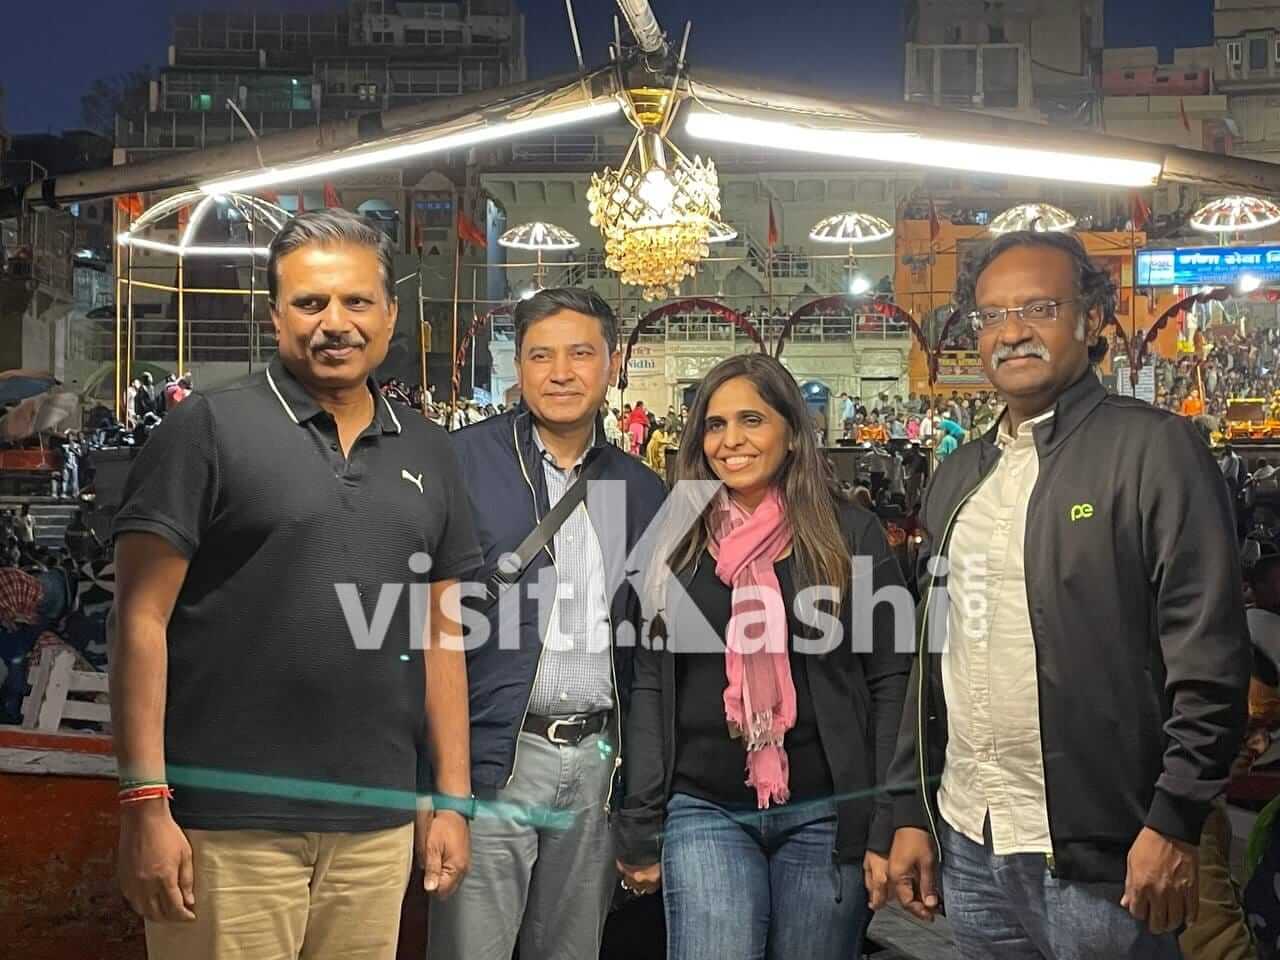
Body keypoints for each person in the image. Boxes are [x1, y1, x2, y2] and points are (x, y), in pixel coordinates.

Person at [110, 209, 482, 959]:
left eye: (356, 301)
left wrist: (453, 798)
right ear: (275, 316)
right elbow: (137, 621)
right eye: (310, 302)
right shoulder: (207, 430)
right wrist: (144, 804)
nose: (334, 323)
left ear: (390, 315)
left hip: (375, 825)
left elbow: (442, 637)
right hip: (227, 825)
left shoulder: (429, 451)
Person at [886, 229, 1249, 958]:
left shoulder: (1152, 450)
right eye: (991, 315)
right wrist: (911, 808)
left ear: (1091, 319)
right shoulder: (959, 476)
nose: (1012, 331)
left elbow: (1207, 651)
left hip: (1106, 851)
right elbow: (934, 658)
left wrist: (1175, 818)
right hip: (972, 838)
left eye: (1039, 308)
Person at [615, 353, 912, 960]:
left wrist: (888, 818)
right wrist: (640, 819)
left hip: (827, 813)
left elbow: (890, 679)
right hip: (704, 807)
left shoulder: (848, 533)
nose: (731, 441)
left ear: (792, 433)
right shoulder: (673, 534)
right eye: (715, 424)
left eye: (751, 420)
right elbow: (648, 682)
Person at [433, 288, 666, 960]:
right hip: (495, 763)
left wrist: (638, 794)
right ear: (519, 367)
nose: (560, 372)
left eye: (580, 354)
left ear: (611, 364)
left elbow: (650, 655)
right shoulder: (461, 464)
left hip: (596, 767)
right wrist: (439, 787)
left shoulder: (641, 488)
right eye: (541, 355)